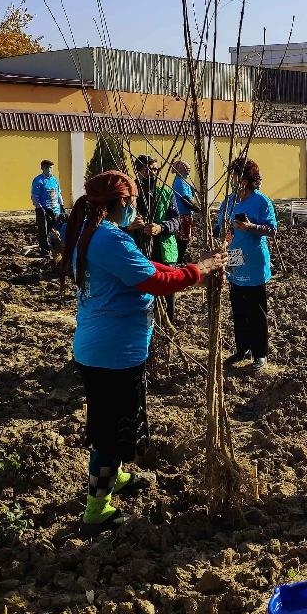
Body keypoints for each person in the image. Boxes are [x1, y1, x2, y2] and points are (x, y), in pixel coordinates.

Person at [59, 170, 225, 535]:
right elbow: (156, 281)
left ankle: (115, 475)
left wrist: (187, 268)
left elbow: (149, 268)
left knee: (116, 422)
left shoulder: (97, 234)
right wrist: (202, 269)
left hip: (106, 348)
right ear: (121, 202)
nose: (136, 206)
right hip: (112, 353)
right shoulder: (109, 240)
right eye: (132, 199)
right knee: (109, 431)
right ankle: (97, 510)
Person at [216, 158, 277, 370]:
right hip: (234, 257)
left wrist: (250, 226)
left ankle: (260, 353)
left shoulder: (261, 202)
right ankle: (242, 349)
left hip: (254, 261)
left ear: (247, 179)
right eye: (232, 176)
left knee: (257, 311)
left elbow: (272, 230)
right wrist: (221, 238)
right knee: (238, 308)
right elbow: (221, 228)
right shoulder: (229, 201)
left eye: (236, 176)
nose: (233, 180)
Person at [131, 155, 182, 321]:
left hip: (165, 251)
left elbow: (176, 221)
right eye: (149, 170)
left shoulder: (166, 193)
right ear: (138, 172)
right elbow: (115, 222)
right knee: (143, 295)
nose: (154, 173)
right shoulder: (130, 195)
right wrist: (129, 225)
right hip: (139, 250)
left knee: (168, 292)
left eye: (156, 169)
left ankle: (167, 325)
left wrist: (161, 227)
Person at [31, 160, 64, 258]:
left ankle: (57, 249)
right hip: (44, 210)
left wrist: (62, 205)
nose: (49, 169)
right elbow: (34, 195)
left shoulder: (54, 180)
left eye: (50, 168)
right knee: (44, 231)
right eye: (46, 167)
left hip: (56, 210)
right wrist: (39, 207)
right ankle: (45, 251)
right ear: (42, 168)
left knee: (57, 230)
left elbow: (58, 194)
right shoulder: (38, 180)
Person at [170, 158, 199, 262]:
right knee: (182, 241)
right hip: (183, 215)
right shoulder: (179, 183)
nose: (188, 173)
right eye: (186, 171)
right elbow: (185, 200)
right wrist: (198, 210)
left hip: (186, 215)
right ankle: (179, 261)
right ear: (181, 171)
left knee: (184, 240)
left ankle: (179, 260)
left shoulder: (183, 182)